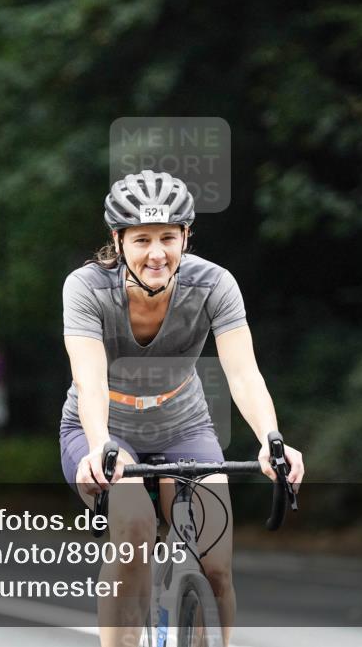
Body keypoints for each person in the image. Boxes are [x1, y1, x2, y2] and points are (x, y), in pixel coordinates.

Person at [60, 170, 304, 647]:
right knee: (133, 527)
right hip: (105, 428)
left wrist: (271, 440)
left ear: (186, 237)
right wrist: (99, 447)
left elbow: (243, 373)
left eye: (169, 237)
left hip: (183, 425)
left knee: (215, 564)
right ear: (119, 239)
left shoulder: (213, 284)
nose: (157, 253)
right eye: (143, 239)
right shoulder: (86, 288)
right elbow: (88, 381)